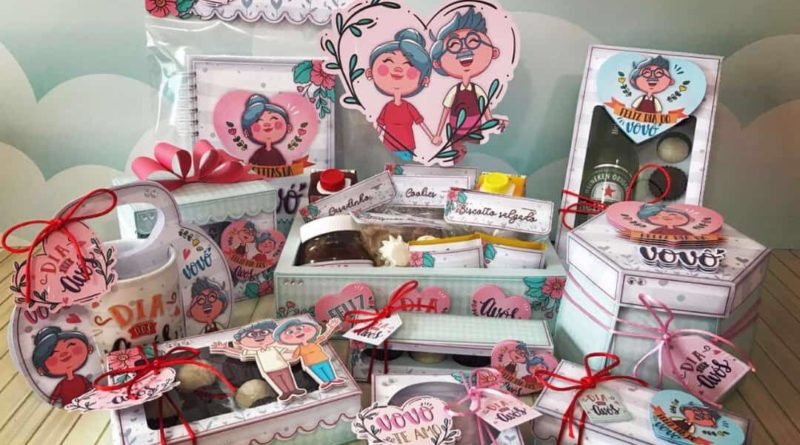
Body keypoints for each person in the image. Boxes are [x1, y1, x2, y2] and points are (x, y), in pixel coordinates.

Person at [430, 7, 506, 161]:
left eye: (473, 41)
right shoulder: (453, 90)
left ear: (494, 52)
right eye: (454, 45)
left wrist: (495, 123)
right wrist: (438, 134)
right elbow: (445, 111)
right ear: (438, 63)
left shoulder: (478, 89)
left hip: (473, 130)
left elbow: (486, 111)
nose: (464, 49)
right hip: (455, 131)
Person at [367, 28, 438, 154]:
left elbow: (421, 123)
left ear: (425, 80)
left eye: (409, 64)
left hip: (407, 148)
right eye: (388, 61)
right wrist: (372, 143)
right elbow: (380, 126)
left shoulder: (409, 107)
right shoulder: (387, 107)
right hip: (387, 149)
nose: (398, 69)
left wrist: (432, 137)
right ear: (370, 72)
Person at [212, 320, 307, 402]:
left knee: (287, 378)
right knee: (278, 381)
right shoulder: (254, 352)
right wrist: (225, 349)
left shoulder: (275, 346)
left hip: (283, 366)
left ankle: (293, 390)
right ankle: (285, 393)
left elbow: (289, 350)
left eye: (264, 332)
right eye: (252, 335)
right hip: (269, 370)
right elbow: (240, 353)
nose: (259, 336)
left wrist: (299, 350)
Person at [274, 318, 344, 390]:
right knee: (318, 372)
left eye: (300, 328)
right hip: (311, 364)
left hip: (323, 359)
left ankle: (333, 379)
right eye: (290, 332)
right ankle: (325, 382)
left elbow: (324, 337)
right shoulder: (299, 348)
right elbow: (293, 357)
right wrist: (285, 354)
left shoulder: (314, 342)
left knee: (327, 369)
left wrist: (330, 328)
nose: (297, 332)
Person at [32, 327, 94, 406]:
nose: (64, 354)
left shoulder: (81, 379)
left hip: (88, 403)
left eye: (70, 345)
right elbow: (54, 397)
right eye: (52, 354)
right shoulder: (62, 384)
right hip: (70, 407)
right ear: (41, 370)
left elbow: (90, 388)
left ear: (88, 348)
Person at [241, 94, 291, 167]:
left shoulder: (276, 153)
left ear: (288, 127)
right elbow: (251, 165)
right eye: (259, 121)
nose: (267, 124)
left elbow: (282, 165)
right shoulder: (258, 153)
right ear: (246, 132)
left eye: (273, 119)